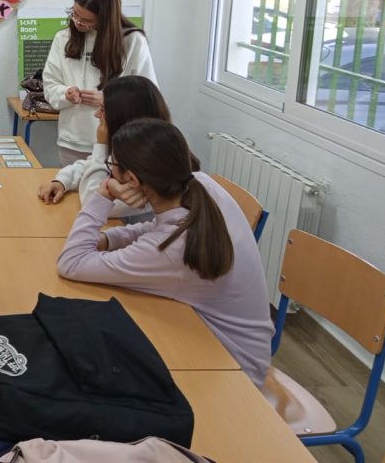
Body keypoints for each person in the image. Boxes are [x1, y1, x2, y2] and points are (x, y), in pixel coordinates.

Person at [56, 119, 274, 387]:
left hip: (231, 370)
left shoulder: (170, 249)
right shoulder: (201, 184)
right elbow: (156, 228)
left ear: (132, 180)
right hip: (231, 343)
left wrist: (103, 195)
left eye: (111, 167)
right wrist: (110, 239)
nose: (110, 175)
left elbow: (71, 263)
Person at [42, 0, 157, 167]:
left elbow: (147, 96)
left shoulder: (132, 41)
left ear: (105, 19)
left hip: (117, 143)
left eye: (87, 21)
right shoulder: (63, 38)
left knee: (109, 186)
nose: (77, 23)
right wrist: (66, 94)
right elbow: (50, 84)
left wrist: (108, 100)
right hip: (71, 141)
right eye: (74, 14)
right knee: (69, 183)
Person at [37, 75, 177, 217]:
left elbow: (91, 202)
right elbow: (88, 165)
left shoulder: (150, 171)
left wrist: (101, 145)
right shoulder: (135, 147)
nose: (97, 114)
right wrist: (62, 181)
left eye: (103, 109)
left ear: (123, 116)